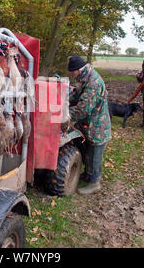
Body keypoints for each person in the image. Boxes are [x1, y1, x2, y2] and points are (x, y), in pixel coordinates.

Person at [63, 56, 111, 195]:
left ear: (78, 70)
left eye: (72, 72)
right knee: (88, 150)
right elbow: (77, 96)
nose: (72, 75)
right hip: (89, 123)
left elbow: (82, 109)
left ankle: (94, 182)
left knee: (95, 153)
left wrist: (63, 113)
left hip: (98, 125)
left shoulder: (93, 83)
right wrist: (65, 101)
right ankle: (88, 174)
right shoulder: (85, 78)